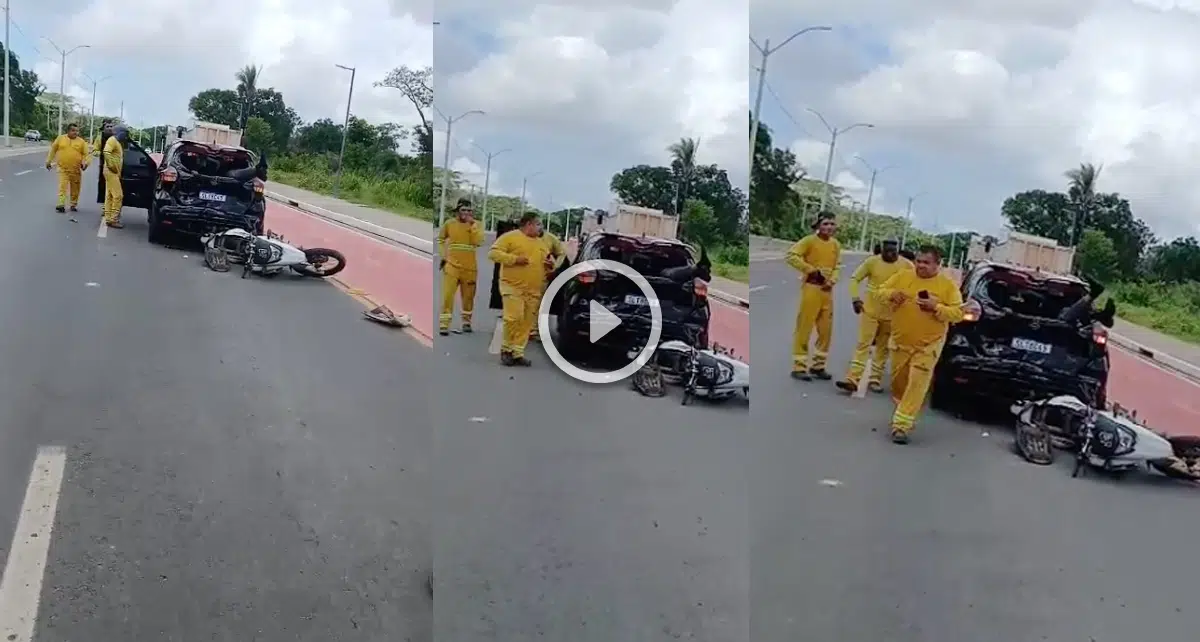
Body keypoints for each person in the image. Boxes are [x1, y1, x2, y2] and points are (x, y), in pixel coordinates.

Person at [874, 245, 964, 444]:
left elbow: (957, 313)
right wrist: (891, 295)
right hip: (900, 342)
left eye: (926, 262)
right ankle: (902, 411)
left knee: (917, 383)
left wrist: (936, 307)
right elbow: (880, 291)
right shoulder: (903, 276)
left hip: (929, 345)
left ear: (937, 265)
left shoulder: (947, 286)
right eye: (918, 261)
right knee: (899, 384)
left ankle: (901, 426)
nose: (921, 266)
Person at [836, 238, 912, 394]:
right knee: (863, 344)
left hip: (892, 315)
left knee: (883, 348)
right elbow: (855, 279)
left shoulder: (906, 265)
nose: (890, 254)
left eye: (894, 251)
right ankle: (853, 378)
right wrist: (855, 298)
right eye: (887, 251)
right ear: (881, 250)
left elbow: (915, 283)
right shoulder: (872, 262)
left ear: (898, 250)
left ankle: (875, 379)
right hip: (870, 311)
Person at [487, 212, 552, 366]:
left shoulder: (540, 244)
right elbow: (493, 254)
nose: (540, 228)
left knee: (526, 322)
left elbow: (549, 261)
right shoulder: (510, 237)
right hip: (512, 286)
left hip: (533, 290)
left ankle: (518, 352)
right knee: (513, 318)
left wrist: (550, 266)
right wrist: (515, 259)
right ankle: (506, 349)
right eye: (538, 224)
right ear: (529, 224)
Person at [786, 214, 841, 380]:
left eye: (832, 224)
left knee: (826, 331)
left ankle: (818, 366)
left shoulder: (835, 244)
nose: (829, 227)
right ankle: (799, 367)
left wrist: (832, 280)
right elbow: (791, 256)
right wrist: (811, 270)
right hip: (811, 288)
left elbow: (837, 265)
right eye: (826, 224)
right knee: (805, 327)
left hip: (827, 291)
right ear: (818, 225)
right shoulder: (809, 241)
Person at [438, 198, 485, 335]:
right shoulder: (449, 224)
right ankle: (444, 324)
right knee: (447, 296)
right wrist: (443, 256)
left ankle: (466, 322)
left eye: (469, 210)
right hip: (452, 266)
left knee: (468, 297)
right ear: (457, 211)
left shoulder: (477, 225)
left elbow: (478, 241)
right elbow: (441, 239)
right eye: (463, 210)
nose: (466, 213)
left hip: (470, 268)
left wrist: (472, 226)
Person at [529, 221, 566, 342]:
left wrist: (555, 266)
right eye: (535, 224)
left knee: (539, 303)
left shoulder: (550, 239)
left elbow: (561, 254)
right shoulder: (524, 237)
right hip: (524, 275)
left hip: (543, 276)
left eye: (539, 224)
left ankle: (535, 330)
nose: (537, 227)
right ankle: (526, 329)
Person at [45, 123, 89, 213]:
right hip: (62, 168)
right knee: (62, 186)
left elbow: (86, 154)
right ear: (68, 131)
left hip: (75, 169)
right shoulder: (60, 139)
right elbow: (53, 149)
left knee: (75, 188)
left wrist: (86, 163)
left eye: (77, 131)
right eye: (73, 130)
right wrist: (48, 161)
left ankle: (73, 204)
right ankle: (60, 204)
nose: (75, 133)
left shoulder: (81, 142)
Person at [101, 126, 128, 229]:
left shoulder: (117, 142)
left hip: (112, 172)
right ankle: (114, 219)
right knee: (118, 195)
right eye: (125, 133)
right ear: (120, 132)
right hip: (111, 172)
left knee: (110, 195)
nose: (125, 136)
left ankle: (108, 218)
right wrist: (111, 165)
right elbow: (106, 152)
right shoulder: (112, 140)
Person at [91, 120, 114, 205]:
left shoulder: (117, 138)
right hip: (104, 166)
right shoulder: (99, 138)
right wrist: (103, 153)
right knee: (103, 187)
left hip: (116, 167)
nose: (110, 128)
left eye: (111, 126)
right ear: (103, 129)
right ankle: (105, 207)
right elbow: (94, 151)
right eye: (107, 127)